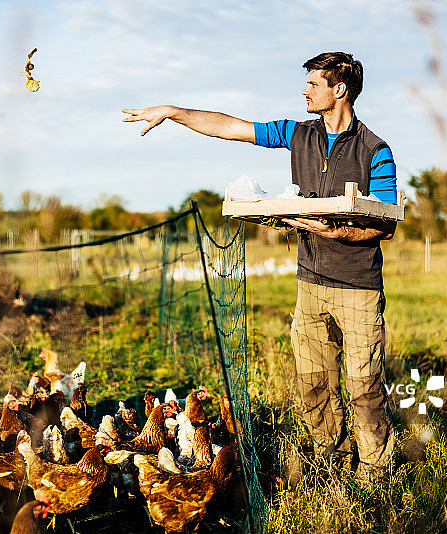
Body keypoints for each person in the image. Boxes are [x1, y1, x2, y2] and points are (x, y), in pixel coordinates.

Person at [123, 52, 397, 484]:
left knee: (364, 387)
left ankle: (374, 477)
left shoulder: (376, 152)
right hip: (310, 284)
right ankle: (333, 460)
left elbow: (383, 226)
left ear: (339, 89)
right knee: (313, 383)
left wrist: (331, 231)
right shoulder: (298, 134)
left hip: (357, 288)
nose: (305, 90)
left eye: (313, 83)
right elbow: (230, 127)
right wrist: (173, 112)